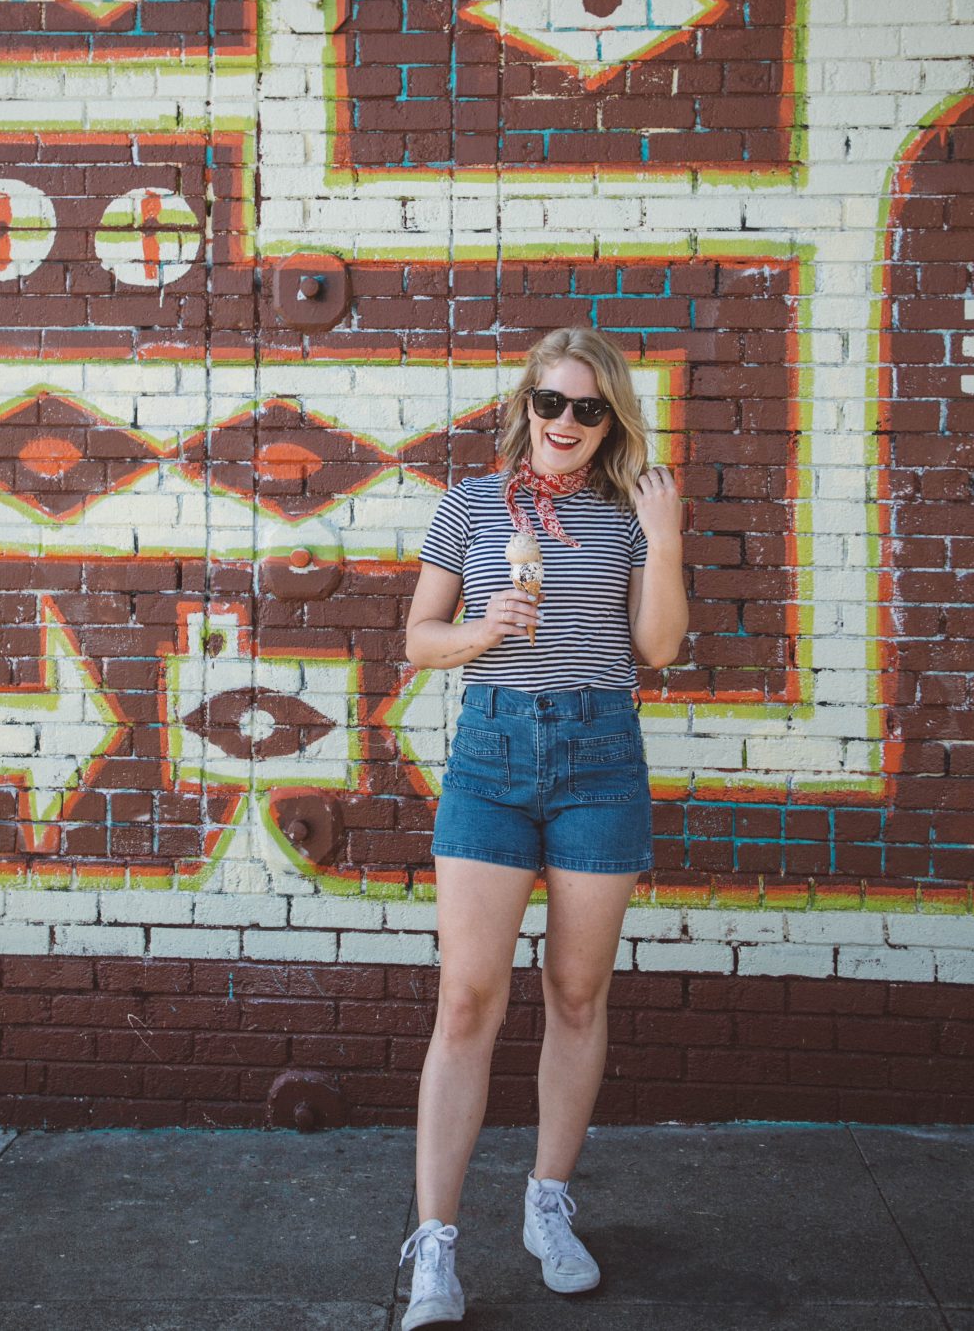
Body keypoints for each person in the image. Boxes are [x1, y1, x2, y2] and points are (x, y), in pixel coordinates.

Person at [397, 326, 688, 1328]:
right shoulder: (472, 505)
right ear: (525, 405)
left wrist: (670, 536)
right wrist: (482, 630)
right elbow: (419, 637)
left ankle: (546, 1203)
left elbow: (656, 647)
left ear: (611, 422)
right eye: (549, 403)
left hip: (600, 756)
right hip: (491, 756)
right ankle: (435, 1248)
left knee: (575, 991)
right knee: (469, 1000)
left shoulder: (627, 512)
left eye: (587, 409)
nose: (563, 423)